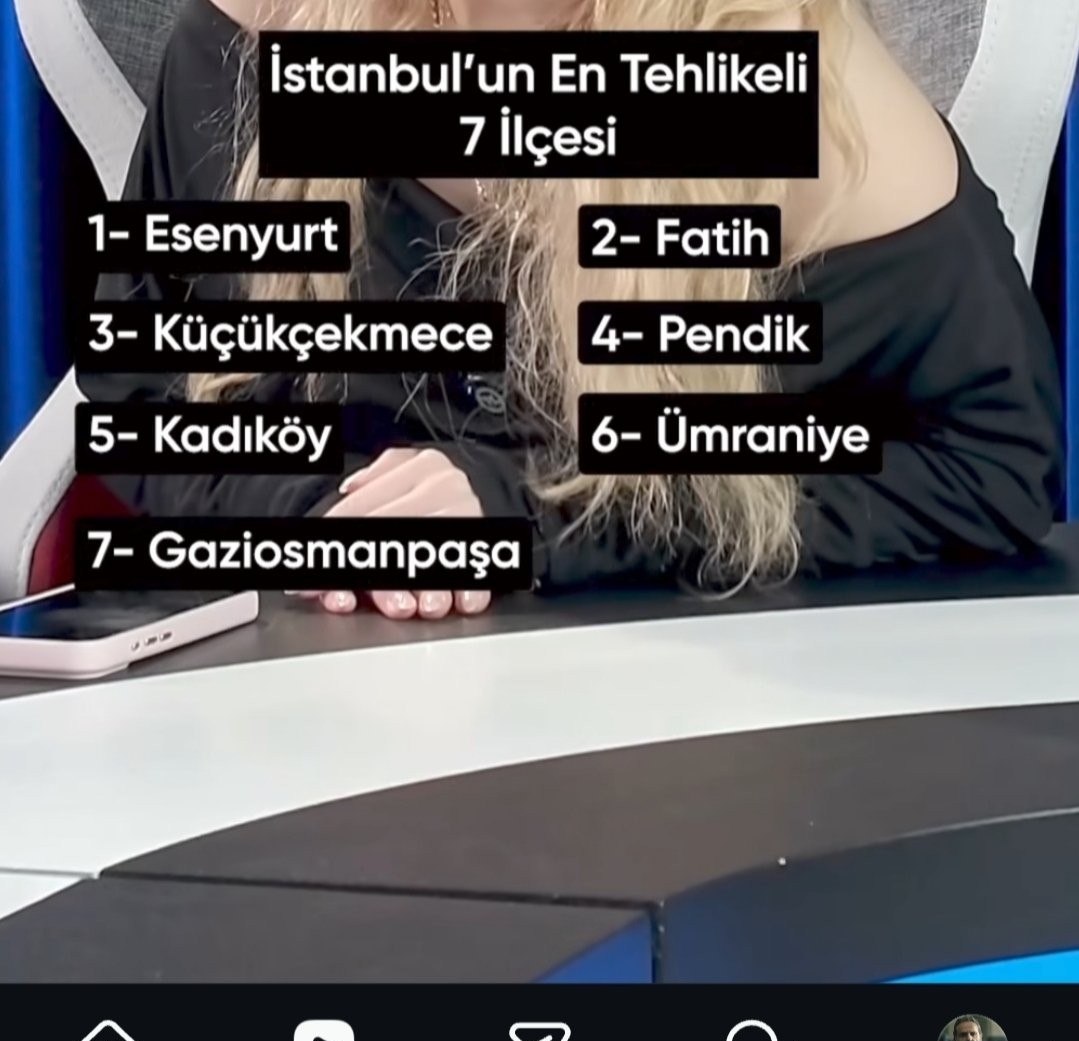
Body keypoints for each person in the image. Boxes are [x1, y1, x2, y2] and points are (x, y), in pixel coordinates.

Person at [79, 0, 1064, 620]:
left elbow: (985, 464)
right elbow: (143, 404)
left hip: (678, 720)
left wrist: (537, 514)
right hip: (294, 697)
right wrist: (344, 528)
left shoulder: (809, 109)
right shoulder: (254, 39)